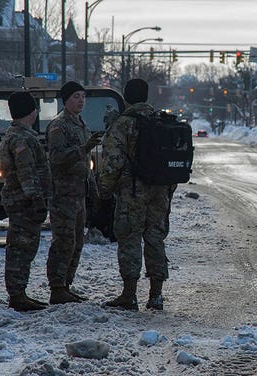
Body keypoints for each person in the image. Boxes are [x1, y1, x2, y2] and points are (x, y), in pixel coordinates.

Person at [98, 78, 173, 311]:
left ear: (126, 98)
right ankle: (156, 295)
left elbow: (114, 160)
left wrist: (104, 190)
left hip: (132, 191)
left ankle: (129, 294)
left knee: (129, 238)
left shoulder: (123, 123)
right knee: (155, 238)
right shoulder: (161, 121)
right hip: (160, 190)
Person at [46, 81, 102, 304]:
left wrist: (94, 190)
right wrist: (84, 148)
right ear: (66, 100)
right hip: (64, 194)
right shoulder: (59, 125)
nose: (80, 101)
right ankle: (57, 287)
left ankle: (66, 285)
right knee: (64, 242)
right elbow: (57, 159)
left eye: (83, 96)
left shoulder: (80, 124)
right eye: (76, 96)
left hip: (79, 193)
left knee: (77, 242)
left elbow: (86, 163)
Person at [0, 91, 51, 312]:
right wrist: (36, 199)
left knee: (22, 247)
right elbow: (26, 171)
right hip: (24, 202)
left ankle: (19, 293)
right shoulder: (23, 138)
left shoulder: (15, 134)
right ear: (32, 111)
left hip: (19, 200)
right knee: (21, 248)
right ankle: (17, 296)